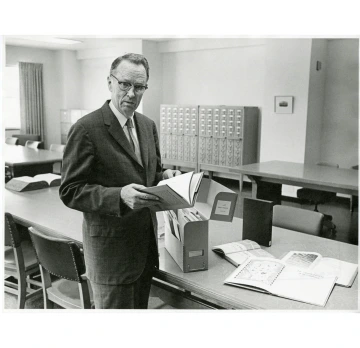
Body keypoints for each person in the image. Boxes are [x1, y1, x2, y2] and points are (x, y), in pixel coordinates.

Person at [59, 53, 181, 309]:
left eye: (139, 87)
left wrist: (164, 176)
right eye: (125, 84)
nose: (131, 93)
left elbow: (150, 174)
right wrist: (119, 196)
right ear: (110, 82)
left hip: (145, 251)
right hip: (110, 256)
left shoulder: (147, 126)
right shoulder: (86, 128)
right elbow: (70, 190)